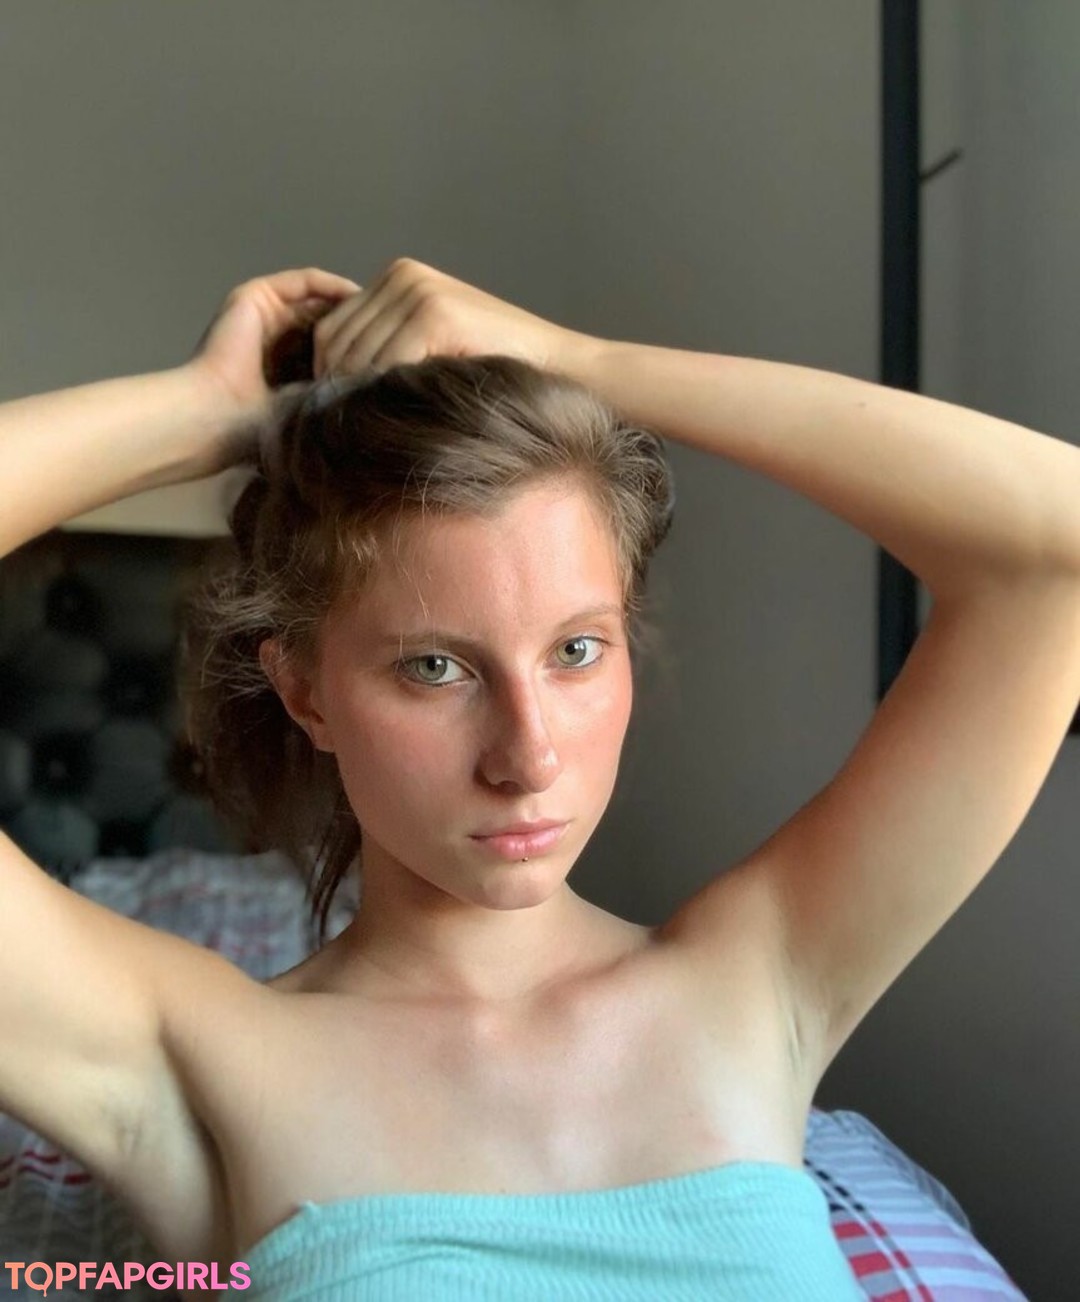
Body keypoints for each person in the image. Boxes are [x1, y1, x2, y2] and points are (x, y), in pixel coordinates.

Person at [1, 257, 1078, 1302]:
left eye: (575, 651)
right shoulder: (199, 1059)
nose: (529, 759)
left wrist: (581, 362)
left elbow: (1056, 554)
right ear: (306, 693)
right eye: (434, 668)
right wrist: (208, 413)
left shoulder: (757, 980)